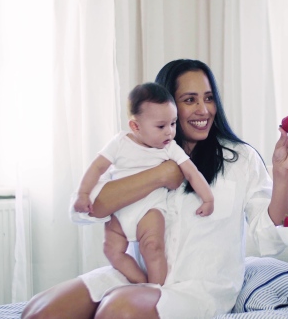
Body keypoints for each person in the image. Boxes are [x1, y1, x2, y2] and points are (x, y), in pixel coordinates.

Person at [22, 59, 288, 318]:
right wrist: (159, 174)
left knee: (119, 311)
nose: (203, 110)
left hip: (198, 290)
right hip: (136, 276)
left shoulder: (240, 158)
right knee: (39, 311)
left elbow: (270, 239)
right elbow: (85, 210)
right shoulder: (136, 150)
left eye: (208, 98)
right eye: (189, 100)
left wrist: (282, 175)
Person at [72, 82, 214, 286]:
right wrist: (83, 194)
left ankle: (156, 290)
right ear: (135, 126)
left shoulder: (170, 148)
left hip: (150, 210)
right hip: (120, 212)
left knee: (153, 247)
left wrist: (207, 198)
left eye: (173, 124)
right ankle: (141, 282)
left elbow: (192, 173)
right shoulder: (120, 143)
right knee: (111, 249)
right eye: (161, 126)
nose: (169, 132)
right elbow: (97, 168)